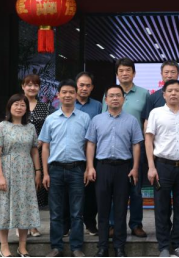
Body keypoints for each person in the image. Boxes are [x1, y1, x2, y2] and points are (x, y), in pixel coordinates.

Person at [142, 60, 179, 241]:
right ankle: (164, 243)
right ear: (163, 94)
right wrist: (151, 166)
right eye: (170, 91)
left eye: (177, 91)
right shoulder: (156, 112)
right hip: (162, 165)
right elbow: (148, 138)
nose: (173, 93)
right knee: (162, 205)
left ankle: (178, 241)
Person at [86, 85, 144, 258]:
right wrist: (90, 166)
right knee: (103, 209)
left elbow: (136, 145)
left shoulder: (131, 121)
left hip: (123, 168)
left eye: (118, 95)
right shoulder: (97, 120)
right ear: (106, 99)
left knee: (120, 209)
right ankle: (102, 247)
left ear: (123, 99)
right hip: (102, 167)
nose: (115, 98)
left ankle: (120, 247)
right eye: (111, 96)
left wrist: (135, 168)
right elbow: (91, 144)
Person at [39, 79, 91, 258]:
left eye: (71, 92)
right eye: (64, 92)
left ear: (76, 95)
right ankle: (56, 247)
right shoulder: (50, 119)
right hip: (55, 169)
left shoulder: (84, 118)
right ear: (58, 95)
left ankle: (77, 247)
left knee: (77, 212)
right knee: (55, 212)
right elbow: (45, 147)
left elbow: (89, 145)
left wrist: (88, 167)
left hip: (77, 169)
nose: (68, 95)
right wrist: (45, 172)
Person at [0, 94, 41, 258]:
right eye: (16, 104)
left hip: (26, 171)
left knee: (24, 206)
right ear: (9, 107)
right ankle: (4, 247)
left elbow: (34, 151)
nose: (19, 107)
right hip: (7, 170)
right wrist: (0, 176)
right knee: (4, 207)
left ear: (26, 109)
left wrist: (38, 171)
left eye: (22, 105)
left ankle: (22, 247)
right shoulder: (1, 127)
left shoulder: (30, 128)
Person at [102, 58, 149, 239]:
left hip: (137, 147)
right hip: (113, 148)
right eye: (121, 70)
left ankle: (136, 224)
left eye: (128, 70)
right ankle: (113, 224)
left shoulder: (144, 94)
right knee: (114, 190)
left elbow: (147, 121)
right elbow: (104, 118)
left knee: (135, 189)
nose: (124, 73)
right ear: (117, 74)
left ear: (134, 73)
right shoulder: (109, 94)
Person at [21, 74, 53, 238]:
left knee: (35, 189)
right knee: (22, 190)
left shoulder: (45, 107)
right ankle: (22, 225)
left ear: (39, 88)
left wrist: (39, 142)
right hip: (20, 154)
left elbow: (50, 129)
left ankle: (33, 225)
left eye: (35, 85)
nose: (32, 88)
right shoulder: (18, 105)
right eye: (29, 85)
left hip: (39, 153)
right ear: (23, 87)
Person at [74, 72, 103, 237]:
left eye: (88, 85)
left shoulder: (98, 106)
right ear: (76, 86)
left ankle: (90, 223)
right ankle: (69, 224)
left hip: (93, 154)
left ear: (92, 88)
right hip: (73, 153)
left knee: (91, 191)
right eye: (81, 85)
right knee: (72, 191)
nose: (84, 88)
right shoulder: (67, 103)